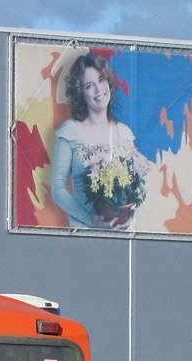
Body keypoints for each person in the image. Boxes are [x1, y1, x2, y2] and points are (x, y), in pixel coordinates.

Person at [51, 52, 137, 230]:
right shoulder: (71, 131)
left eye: (101, 80)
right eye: (89, 86)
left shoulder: (124, 133)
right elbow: (58, 189)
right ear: (80, 92)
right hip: (82, 232)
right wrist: (89, 219)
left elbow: (134, 186)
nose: (98, 90)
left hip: (121, 234)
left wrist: (129, 216)